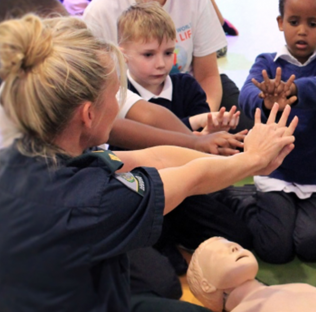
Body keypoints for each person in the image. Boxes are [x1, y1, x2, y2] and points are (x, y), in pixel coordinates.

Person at [0, 14, 297, 311]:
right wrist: (253, 159)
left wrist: (247, 160)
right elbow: (190, 178)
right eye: (116, 95)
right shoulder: (92, 200)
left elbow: (156, 157)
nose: (120, 105)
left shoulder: (30, 152)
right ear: (88, 114)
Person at [236, 0, 316, 264]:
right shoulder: (266, 62)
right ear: (280, 22)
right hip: (275, 173)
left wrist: (291, 91)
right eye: (294, 21)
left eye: (312, 24)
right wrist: (265, 102)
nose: (302, 31)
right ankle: (241, 198)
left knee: (314, 246)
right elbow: (246, 95)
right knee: (275, 250)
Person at [83, 0, 253, 131]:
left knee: (245, 132)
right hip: (129, 100)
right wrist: (191, 137)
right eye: (148, 54)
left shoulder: (196, 3)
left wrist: (207, 125)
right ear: (123, 54)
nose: (160, 63)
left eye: (168, 53)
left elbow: (208, 75)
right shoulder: (100, 11)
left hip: (190, 91)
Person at [186, 237, 316, 312]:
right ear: (206, 285)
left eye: (234, 244)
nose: (234, 247)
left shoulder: (296, 287)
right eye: (219, 253)